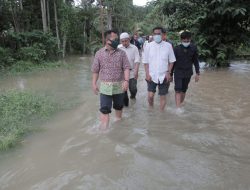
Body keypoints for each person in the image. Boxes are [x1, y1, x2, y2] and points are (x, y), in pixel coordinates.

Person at [91, 29, 130, 130]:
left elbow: (126, 67)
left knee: (118, 109)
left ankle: (118, 130)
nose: (117, 41)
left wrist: (126, 81)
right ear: (107, 40)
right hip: (105, 87)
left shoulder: (122, 53)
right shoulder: (99, 53)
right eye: (115, 39)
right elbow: (95, 70)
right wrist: (94, 84)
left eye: (117, 39)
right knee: (104, 110)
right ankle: (104, 133)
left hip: (119, 86)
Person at [142, 26, 176, 111]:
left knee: (163, 96)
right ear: (152, 35)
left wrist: (169, 72)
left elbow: (172, 61)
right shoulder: (148, 46)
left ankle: (161, 114)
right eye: (155, 34)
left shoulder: (168, 46)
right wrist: (147, 74)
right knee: (150, 96)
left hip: (164, 75)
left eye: (159, 34)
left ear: (163, 34)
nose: (157, 35)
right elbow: (145, 62)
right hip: (151, 74)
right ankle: (151, 109)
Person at [172, 31, 200, 111]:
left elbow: (196, 61)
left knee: (183, 90)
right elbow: (173, 62)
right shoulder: (176, 49)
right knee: (178, 89)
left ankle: (180, 104)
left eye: (188, 41)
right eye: (184, 41)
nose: (186, 42)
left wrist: (197, 73)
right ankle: (178, 108)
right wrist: (170, 74)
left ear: (190, 40)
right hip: (178, 72)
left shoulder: (193, 48)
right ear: (181, 40)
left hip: (188, 73)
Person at [118, 32, 140, 106]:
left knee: (133, 89)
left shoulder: (134, 48)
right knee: (123, 92)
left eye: (126, 41)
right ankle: (126, 108)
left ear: (129, 39)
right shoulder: (118, 48)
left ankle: (133, 97)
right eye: (122, 41)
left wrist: (136, 72)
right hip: (121, 73)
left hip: (132, 72)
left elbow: (137, 61)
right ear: (120, 41)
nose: (124, 43)